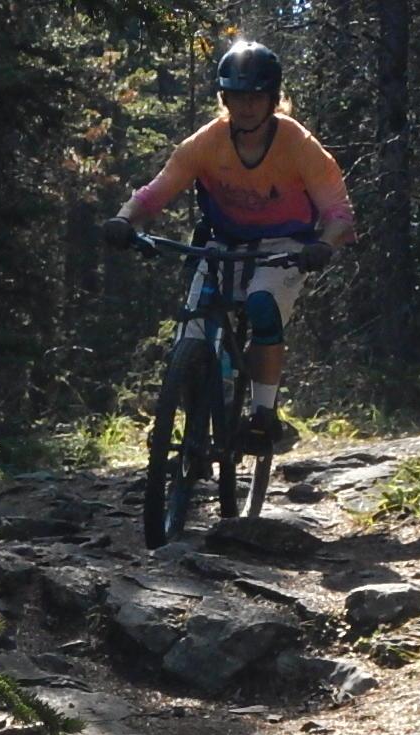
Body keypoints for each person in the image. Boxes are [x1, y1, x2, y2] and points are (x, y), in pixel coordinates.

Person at [102, 40, 355, 452]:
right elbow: (157, 191)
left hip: (284, 244)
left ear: (274, 99)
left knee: (261, 306)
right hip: (223, 242)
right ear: (224, 98)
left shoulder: (297, 144)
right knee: (193, 332)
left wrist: (324, 245)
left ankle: (262, 414)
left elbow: (338, 211)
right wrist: (124, 219)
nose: (247, 106)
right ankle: (190, 427)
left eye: (256, 96)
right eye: (237, 96)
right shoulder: (208, 141)